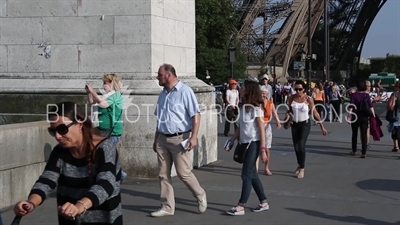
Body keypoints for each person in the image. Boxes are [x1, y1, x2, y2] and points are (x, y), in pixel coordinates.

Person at [13, 102, 122, 225]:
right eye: (53, 131)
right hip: (69, 220)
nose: (58, 136)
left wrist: (79, 206)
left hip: (103, 220)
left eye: (62, 129)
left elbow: (105, 184)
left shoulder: (105, 147)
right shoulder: (60, 151)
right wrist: (30, 203)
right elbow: (47, 180)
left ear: (79, 124)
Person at [152, 63, 207, 217]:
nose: (157, 77)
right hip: (163, 138)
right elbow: (160, 119)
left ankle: (200, 194)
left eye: (159, 74)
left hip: (180, 137)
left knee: (183, 173)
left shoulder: (185, 91)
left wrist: (194, 136)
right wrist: (156, 139)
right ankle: (167, 206)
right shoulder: (162, 94)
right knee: (163, 174)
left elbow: (196, 114)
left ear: (168, 75)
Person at [225, 78, 269, 216]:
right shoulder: (244, 107)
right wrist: (231, 140)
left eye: (242, 87)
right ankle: (264, 202)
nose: (240, 88)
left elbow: (262, 130)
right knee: (253, 175)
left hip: (254, 144)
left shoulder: (256, 108)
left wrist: (263, 150)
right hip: (244, 143)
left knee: (246, 175)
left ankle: (241, 205)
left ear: (248, 90)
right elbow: (240, 128)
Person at [86, 73, 127, 179]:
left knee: (107, 155)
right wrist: (89, 93)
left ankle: (117, 175)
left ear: (112, 83)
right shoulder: (105, 96)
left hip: (112, 132)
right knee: (106, 154)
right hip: (102, 130)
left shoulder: (117, 96)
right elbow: (92, 103)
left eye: (105, 82)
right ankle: (118, 174)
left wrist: (93, 92)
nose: (103, 85)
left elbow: (104, 104)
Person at [286, 81, 328, 178]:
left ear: (304, 89)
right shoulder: (292, 98)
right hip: (295, 124)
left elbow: (315, 113)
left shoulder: (308, 99)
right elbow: (289, 110)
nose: (298, 91)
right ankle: (299, 164)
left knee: (301, 145)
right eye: (296, 89)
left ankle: (302, 168)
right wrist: (287, 117)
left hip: (305, 124)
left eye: (300, 89)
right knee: (296, 147)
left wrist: (322, 126)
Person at [255, 85, 281, 175]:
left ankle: (266, 168)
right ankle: (256, 169)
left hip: (266, 127)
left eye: (264, 93)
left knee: (266, 149)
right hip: (258, 126)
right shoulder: (257, 103)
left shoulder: (270, 103)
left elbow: (274, 113)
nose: (263, 95)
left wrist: (278, 121)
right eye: (262, 93)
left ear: (267, 94)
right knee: (257, 148)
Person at [347, 80, 375, 158]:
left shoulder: (353, 95)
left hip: (355, 117)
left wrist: (349, 116)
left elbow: (351, 106)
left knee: (354, 134)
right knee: (364, 135)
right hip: (364, 117)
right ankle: (364, 152)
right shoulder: (366, 95)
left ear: (357, 87)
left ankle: (354, 150)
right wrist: (373, 115)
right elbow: (370, 106)